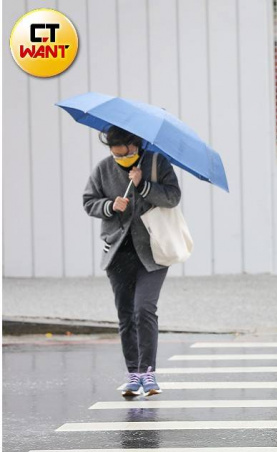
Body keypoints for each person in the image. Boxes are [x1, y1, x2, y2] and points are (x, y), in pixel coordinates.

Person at [83, 125, 181, 398]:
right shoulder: (104, 168)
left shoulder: (157, 163)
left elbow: (173, 197)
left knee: (144, 309)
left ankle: (148, 372)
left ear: (135, 146)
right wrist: (109, 206)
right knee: (126, 315)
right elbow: (89, 201)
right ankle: (133, 374)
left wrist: (143, 185)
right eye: (116, 155)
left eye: (125, 154)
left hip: (152, 253)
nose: (121, 159)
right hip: (118, 254)